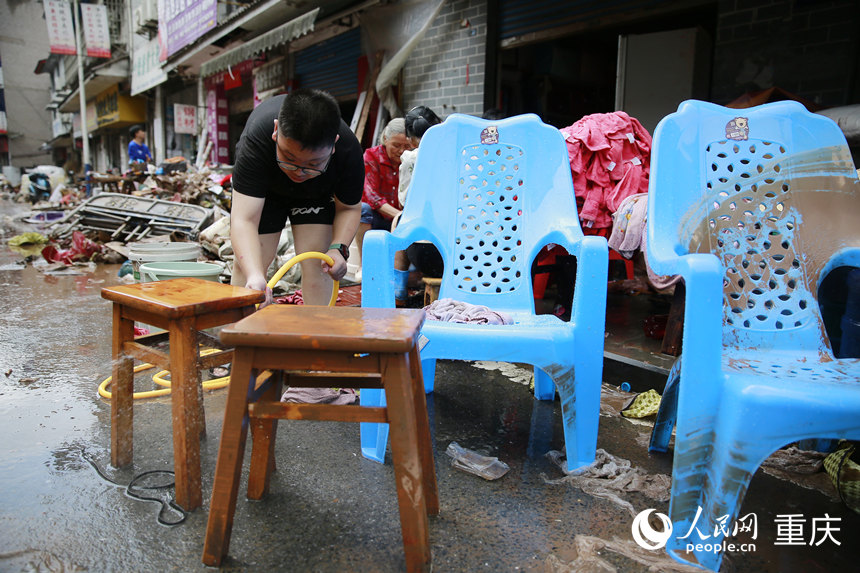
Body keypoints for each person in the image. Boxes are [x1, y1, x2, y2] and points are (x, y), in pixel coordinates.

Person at [230, 89, 363, 307]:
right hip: (266, 192)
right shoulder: (256, 140)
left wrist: (339, 248)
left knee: (319, 264)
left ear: (333, 145)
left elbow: (349, 208)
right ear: (276, 131)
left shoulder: (348, 150)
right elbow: (243, 220)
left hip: (316, 194)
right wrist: (254, 275)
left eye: (312, 164)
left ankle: (316, 336)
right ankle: (238, 333)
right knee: (249, 272)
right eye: (289, 158)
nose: (298, 172)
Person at [354, 118, 414, 293]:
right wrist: (398, 216)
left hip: (403, 219)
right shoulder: (370, 156)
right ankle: (363, 265)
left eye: (407, 146)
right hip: (380, 218)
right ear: (385, 140)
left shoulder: (412, 160)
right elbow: (372, 196)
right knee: (362, 209)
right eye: (396, 145)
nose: (402, 151)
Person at [397, 106, 444, 280]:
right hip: (473, 250)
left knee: (400, 219)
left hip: (429, 253)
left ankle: (398, 289)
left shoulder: (412, 158)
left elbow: (404, 200)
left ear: (410, 138)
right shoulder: (465, 152)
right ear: (440, 123)